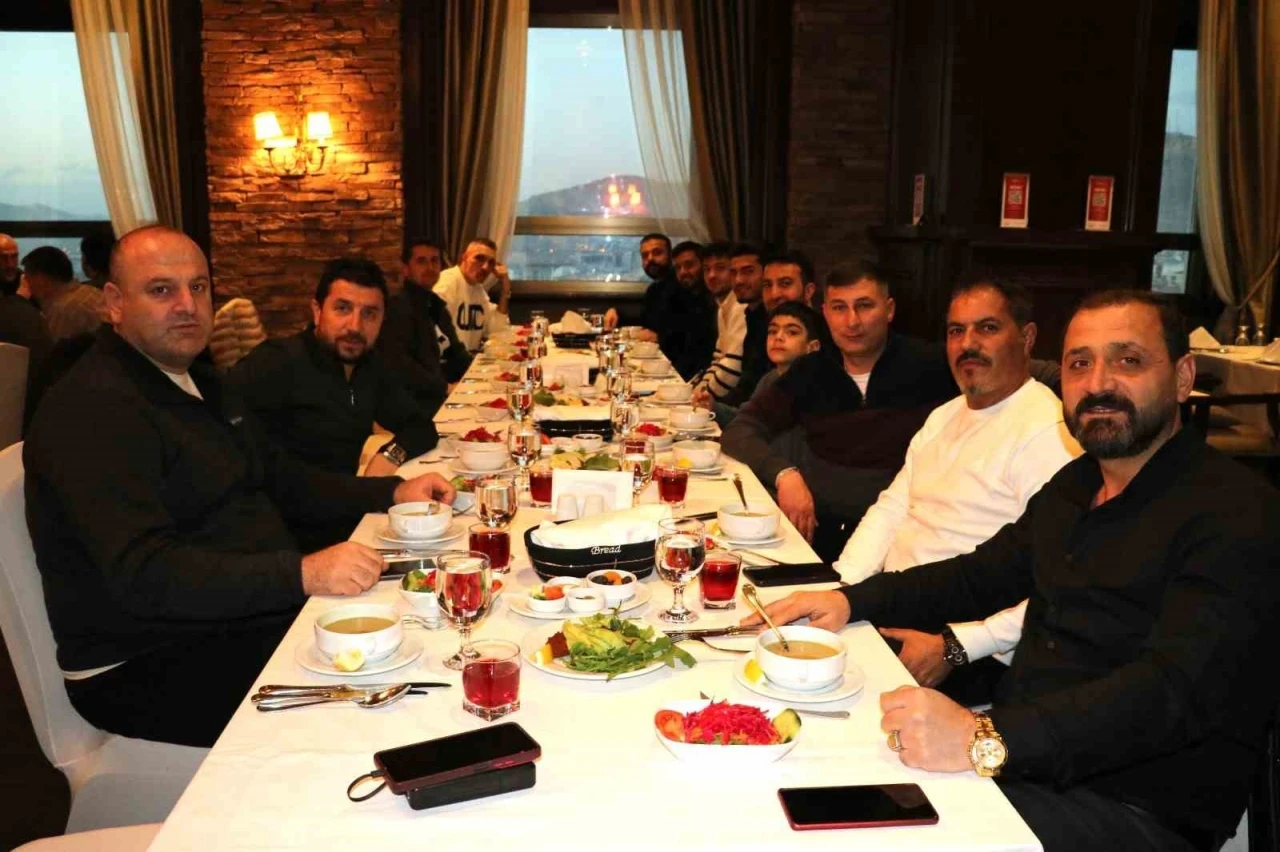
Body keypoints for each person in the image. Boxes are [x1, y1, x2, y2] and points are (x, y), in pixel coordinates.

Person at [748, 290, 1280, 852]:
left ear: (1182, 377)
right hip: (1026, 764)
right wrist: (849, 600)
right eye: (1079, 363)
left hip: (1136, 807)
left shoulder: (1237, 512)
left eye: (1128, 360)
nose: (1098, 383)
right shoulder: (1079, 484)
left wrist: (984, 737)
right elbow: (979, 576)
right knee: (802, 781)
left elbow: (1171, 694)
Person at [24, 225, 456, 749]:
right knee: (390, 696)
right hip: (145, 662)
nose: (187, 305)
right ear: (114, 303)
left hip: (236, 616)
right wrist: (302, 572)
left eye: (198, 287)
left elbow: (283, 479)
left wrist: (391, 493)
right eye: (161, 290)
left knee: (425, 625)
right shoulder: (92, 408)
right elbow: (144, 574)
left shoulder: (202, 382)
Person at [833, 278, 1081, 696]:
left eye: (987, 328)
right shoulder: (944, 416)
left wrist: (956, 646)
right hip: (896, 605)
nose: (968, 344)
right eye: (956, 331)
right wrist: (844, 586)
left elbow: (1059, 585)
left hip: (970, 648)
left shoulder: (1049, 433)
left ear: (1026, 338)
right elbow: (893, 508)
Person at [721, 261, 955, 562]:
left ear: (889, 310)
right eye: (839, 308)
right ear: (826, 313)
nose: (852, 321)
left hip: (905, 537)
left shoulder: (933, 365)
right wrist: (784, 474)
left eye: (864, 306)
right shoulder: (810, 370)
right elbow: (739, 431)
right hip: (818, 534)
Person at [228, 255, 440, 481]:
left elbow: (420, 428)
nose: (355, 327)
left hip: (347, 496)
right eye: (342, 308)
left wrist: (389, 456)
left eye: (369, 313)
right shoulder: (276, 362)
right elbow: (219, 418)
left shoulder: (370, 366)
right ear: (317, 312)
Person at [379, 237, 471, 411]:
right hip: (416, 405)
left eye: (434, 261)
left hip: (445, 394)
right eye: (421, 261)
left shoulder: (436, 305)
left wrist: (482, 372)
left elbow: (457, 353)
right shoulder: (397, 309)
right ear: (406, 269)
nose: (430, 267)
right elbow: (402, 366)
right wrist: (445, 388)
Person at [432, 237, 511, 353]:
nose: (485, 267)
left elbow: (497, 330)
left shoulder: (478, 290)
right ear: (463, 257)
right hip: (449, 361)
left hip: (468, 359)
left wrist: (505, 289)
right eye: (479, 258)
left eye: (491, 263)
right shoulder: (447, 283)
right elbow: (434, 333)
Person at [691, 241, 746, 404]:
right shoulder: (724, 306)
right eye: (707, 269)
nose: (711, 275)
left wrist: (700, 400)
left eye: (720, 268)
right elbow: (718, 359)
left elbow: (732, 366)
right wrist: (697, 392)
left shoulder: (740, 306)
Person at [656, 241, 717, 380]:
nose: (683, 272)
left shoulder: (714, 302)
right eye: (678, 268)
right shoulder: (681, 298)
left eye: (689, 265)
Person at [21, 246, 105, 342]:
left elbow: (56, 350)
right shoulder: (93, 292)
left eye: (28, 279)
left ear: (41, 279)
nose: (28, 286)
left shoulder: (62, 310)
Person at [602, 233, 671, 339]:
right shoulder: (654, 289)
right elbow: (643, 320)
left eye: (657, 253)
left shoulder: (682, 285)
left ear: (671, 256)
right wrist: (616, 312)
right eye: (645, 255)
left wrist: (659, 338)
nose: (650, 258)